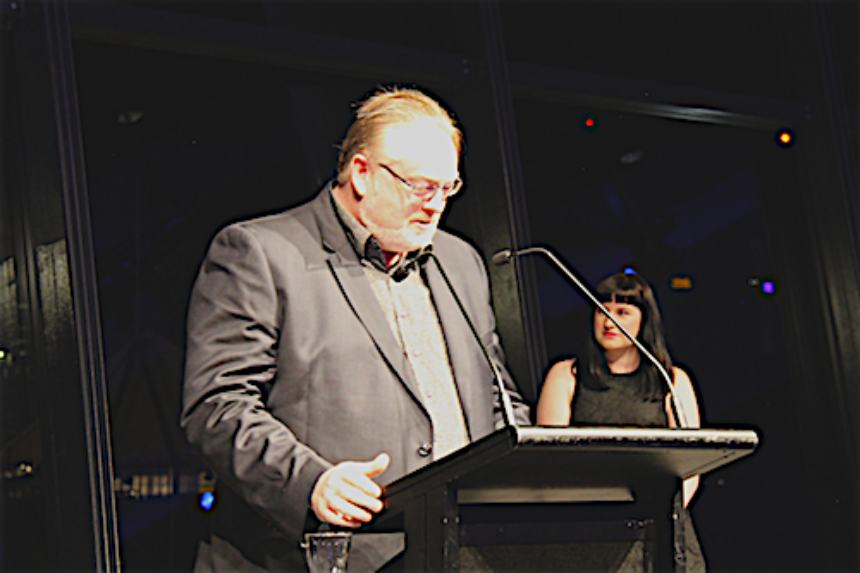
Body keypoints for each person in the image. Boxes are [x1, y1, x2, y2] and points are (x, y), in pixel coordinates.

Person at [180, 85, 530, 572]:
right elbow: (217, 405)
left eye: (448, 188)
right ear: (362, 173)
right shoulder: (260, 252)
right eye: (420, 186)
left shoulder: (461, 262)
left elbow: (497, 401)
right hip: (316, 557)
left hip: (457, 555)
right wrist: (311, 483)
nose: (436, 205)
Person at [536, 271, 706, 571]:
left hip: (660, 526)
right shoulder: (567, 375)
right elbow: (551, 462)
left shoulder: (671, 379)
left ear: (644, 321)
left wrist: (665, 515)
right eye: (602, 311)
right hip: (589, 528)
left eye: (622, 312)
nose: (608, 321)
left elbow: (691, 466)